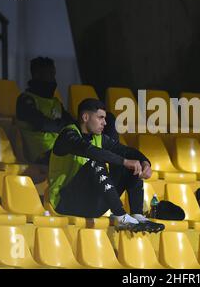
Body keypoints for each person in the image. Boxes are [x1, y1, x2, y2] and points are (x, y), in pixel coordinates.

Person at [48, 98, 165, 232]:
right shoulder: (68, 135)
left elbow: (126, 151)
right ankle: (121, 216)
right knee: (98, 162)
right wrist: (124, 161)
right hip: (65, 202)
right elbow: (90, 151)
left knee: (131, 164)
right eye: (100, 118)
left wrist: (145, 162)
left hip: (90, 203)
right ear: (85, 117)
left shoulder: (99, 137)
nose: (105, 122)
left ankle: (137, 215)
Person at [16, 57, 74, 164]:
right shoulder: (25, 100)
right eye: (50, 75)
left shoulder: (55, 102)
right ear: (37, 75)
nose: (54, 79)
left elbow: (71, 123)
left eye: (54, 75)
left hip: (58, 150)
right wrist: (64, 125)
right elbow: (42, 123)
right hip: (40, 154)